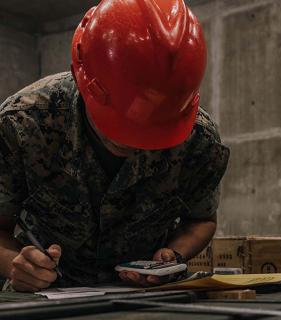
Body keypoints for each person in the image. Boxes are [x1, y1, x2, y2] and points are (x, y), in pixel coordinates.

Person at [0, 0, 229, 292]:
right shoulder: (23, 123)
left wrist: (173, 255)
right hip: (45, 299)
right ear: (86, 82)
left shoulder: (199, 140)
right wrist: (16, 263)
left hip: (145, 299)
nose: (132, 142)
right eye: (122, 123)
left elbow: (202, 219)